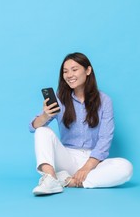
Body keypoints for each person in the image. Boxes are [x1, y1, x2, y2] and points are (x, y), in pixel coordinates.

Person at [29, 52, 133, 195]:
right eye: (65, 72)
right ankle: (50, 178)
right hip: (67, 157)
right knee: (42, 130)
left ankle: (67, 181)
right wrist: (45, 115)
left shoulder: (105, 101)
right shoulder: (60, 99)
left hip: (93, 160)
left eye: (74, 69)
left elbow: (105, 139)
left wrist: (86, 168)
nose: (69, 75)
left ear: (88, 70)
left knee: (125, 167)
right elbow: (32, 127)